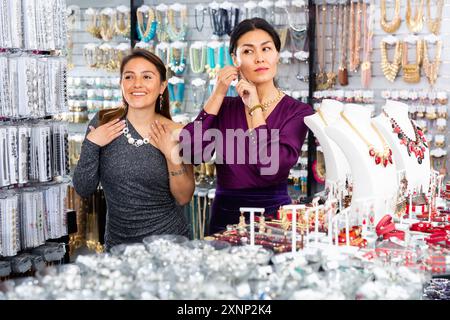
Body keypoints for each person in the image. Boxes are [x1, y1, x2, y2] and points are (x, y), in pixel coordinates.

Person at [180, 18, 313, 234]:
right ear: (235, 59)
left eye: (266, 49)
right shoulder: (224, 107)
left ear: (277, 54)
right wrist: (219, 93)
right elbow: (190, 153)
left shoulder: (298, 112)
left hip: (274, 220)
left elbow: (270, 167)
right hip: (226, 218)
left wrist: (255, 107)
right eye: (248, 51)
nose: (260, 58)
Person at [73, 49, 194, 251]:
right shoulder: (103, 122)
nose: (137, 84)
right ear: (121, 83)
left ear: (162, 86)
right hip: (119, 248)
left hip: (168, 248)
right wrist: (91, 144)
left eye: (147, 77)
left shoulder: (178, 132)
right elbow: (84, 188)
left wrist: (171, 154)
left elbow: (184, 196)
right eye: (129, 77)